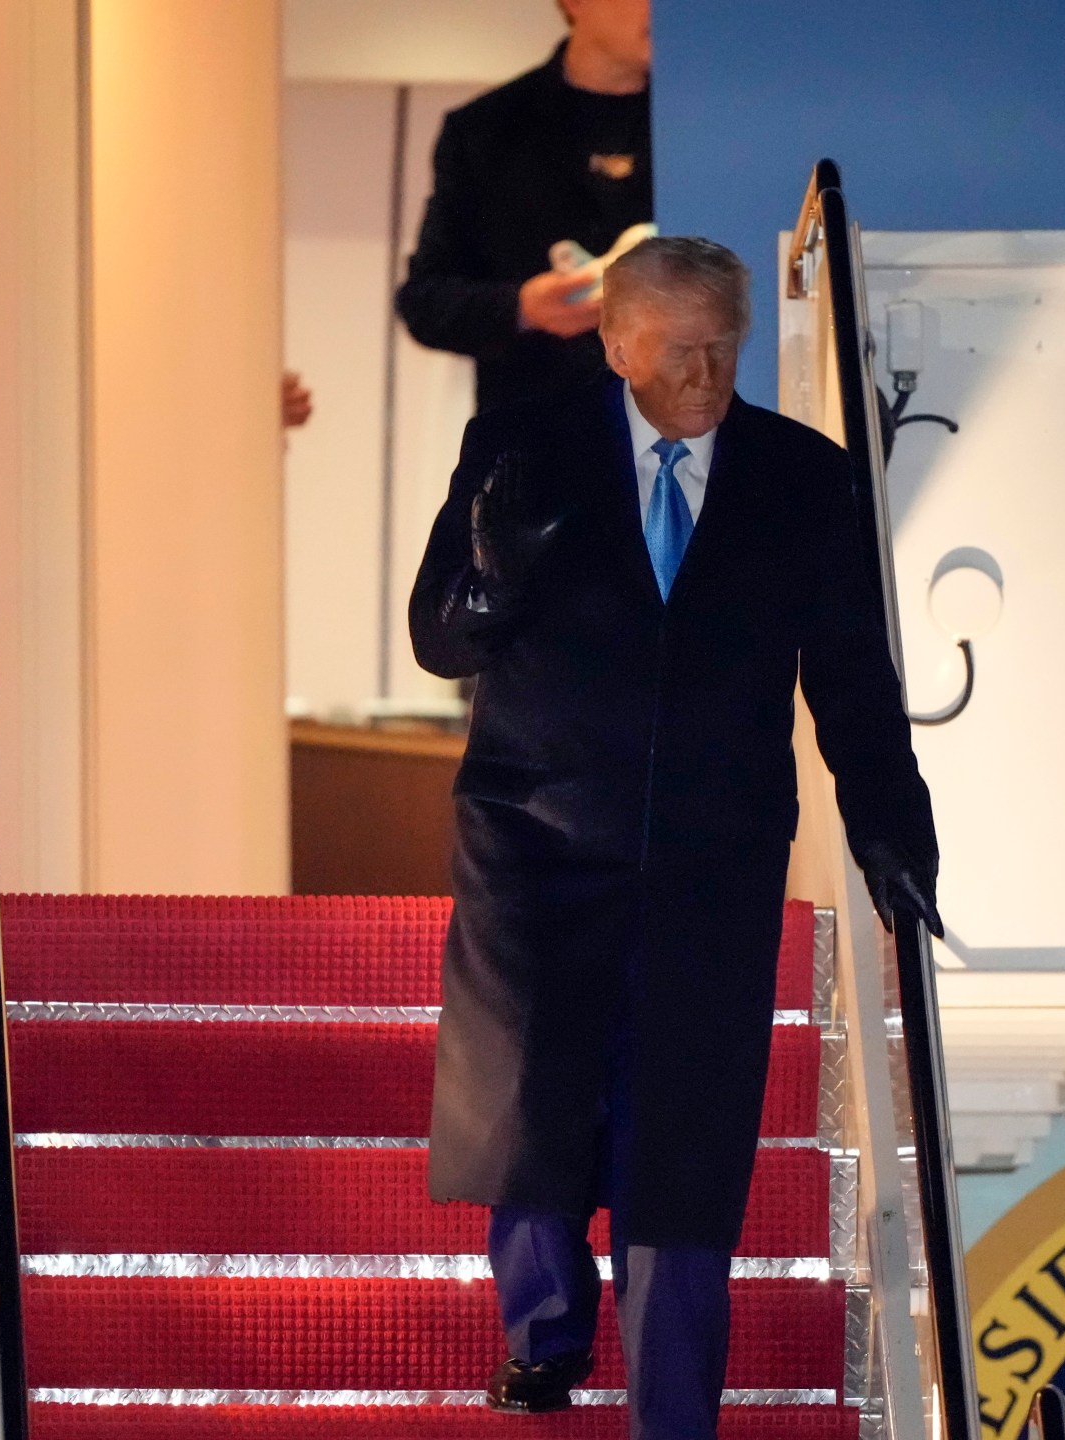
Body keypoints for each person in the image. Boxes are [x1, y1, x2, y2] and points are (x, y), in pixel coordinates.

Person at [409, 237, 944, 1440]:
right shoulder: (520, 449)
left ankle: (673, 1407)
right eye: (677, 350)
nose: (705, 376)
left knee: (686, 1131)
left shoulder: (804, 480)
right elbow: (440, 642)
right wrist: (493, 570)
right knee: (535, 1105)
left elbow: (852, 678)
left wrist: (892, 830)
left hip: (715, 851)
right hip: (536, 835)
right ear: (614, 343)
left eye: (724, 349)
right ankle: (543, 1337)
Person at [393, 0, 652, 415]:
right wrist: (523, 307)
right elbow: (425, 301)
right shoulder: (486, 131)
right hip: (535, 444)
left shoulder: (713, 126)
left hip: (684, 446)